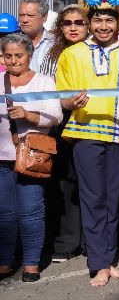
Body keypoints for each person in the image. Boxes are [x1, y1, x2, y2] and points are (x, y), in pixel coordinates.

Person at [56, 0, 119, 286]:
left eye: (110, 20)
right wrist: (72, 102)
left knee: (113, 198)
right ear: (89, 22)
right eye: (97, 20)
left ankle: (108, 259)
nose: (103, 25)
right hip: (84, 132)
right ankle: (98, 262)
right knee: (92, 197)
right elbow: (62, 97)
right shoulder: (72, 55)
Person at [0, 33, 61, 282]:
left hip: (32, 155)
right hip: (1, 156)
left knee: (30, 211)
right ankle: (4, 260)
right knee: (4, 213)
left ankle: (31, 263)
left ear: (30, 55)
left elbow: (55, 117)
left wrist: (29, 115)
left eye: (19, 56)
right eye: (8, 55)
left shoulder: (44, 82)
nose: (14, 61)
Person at [42, 5, 89, 264]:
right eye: (67, 22)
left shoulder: (97, 50)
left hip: (93, 119)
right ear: (60, 26)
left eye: (79, 22)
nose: (73, 27)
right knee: (65, 180)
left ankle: (90, 241)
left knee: (91, 183)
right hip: (61, 120)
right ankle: (67, 241)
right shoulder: (51, 54)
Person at [18, 0, 54, 73]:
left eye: (30, 16)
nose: (24, 20)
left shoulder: (56, 44)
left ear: (44, 17)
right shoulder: (10, 43)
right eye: (21, 15)